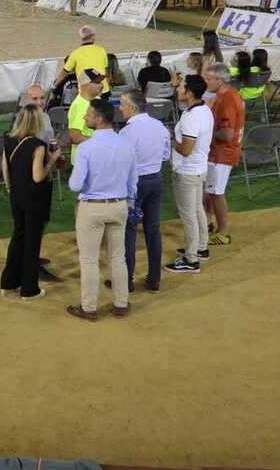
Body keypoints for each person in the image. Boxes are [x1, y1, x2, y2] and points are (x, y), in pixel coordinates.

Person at [66, 98, 137, 321]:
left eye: (88, 114)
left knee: (89, 260)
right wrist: (128, 202)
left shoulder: (86, 148)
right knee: (118, 257)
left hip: (92, 208)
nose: (85, 117)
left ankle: (89, 308)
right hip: (119, 205)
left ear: (98, 119)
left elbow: (75, 185)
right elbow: (133, 181)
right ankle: (121, 303)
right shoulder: (126, 144)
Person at [0, 105, 62, 300]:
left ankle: (8, 283)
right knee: (32, 242)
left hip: (16, 196)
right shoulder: (38, 145)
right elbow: (37, 177)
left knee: (18, 237)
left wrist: (10, 188)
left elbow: (5, 166)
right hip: (34, 199)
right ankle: (29, 289)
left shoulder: (8, 138)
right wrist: (52, 161)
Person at [114, 90, 170, 293]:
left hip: (134, 184)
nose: (119, 108)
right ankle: (154, 280)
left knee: (128, 232)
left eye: (122, 104)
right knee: (153, 230)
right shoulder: (160, 126)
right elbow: (165, 155)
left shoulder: (127, 133)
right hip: (156, 180)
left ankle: (126, 282)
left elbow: (122, 162)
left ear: (132, 107)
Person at [165, 75, 215, 274]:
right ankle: (201, 247)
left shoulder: (192, 117)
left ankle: (191, 258)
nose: (178, 89)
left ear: (190, 92)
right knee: (196, 210)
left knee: (189, 215)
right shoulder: (204, 110)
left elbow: (186, 149)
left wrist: (170, 139)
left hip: (187, 171)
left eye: (181, 87)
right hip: (199, 169)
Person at [202, 63, 244, 247]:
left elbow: (226, 135)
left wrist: (205, 132)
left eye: (209, 79)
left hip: (222, 154)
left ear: (220, 80)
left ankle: (223, 232)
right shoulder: (229, 94)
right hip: (219, 153)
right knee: (210, 191)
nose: (206, 82)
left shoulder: (227, 100)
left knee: (216, 193)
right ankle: (209, 222)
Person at [52, 25, 109, 98]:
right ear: (93, 36)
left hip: (86, 92)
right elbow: (106, 71)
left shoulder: (75, 53)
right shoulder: (102, 50)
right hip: (103, 90)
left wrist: (54, 85)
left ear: (81, 38)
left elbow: (65, 72)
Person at [67, 72, 105, 165]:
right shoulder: (79, 106)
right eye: (97, 82)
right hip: (84, 161)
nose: (102, 85)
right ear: (86, 85)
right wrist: (103, 142)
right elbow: (75, 137)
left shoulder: (96, 100)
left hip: (94, 157)